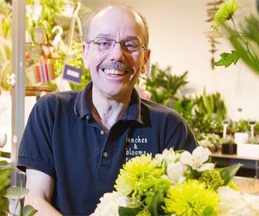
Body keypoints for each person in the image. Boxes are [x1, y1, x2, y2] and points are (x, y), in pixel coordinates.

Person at [17, 3, 198, 215]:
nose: (117, 55)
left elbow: (186, 204)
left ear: (145, 60)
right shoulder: (50, 112)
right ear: (85, 53)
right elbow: (36, 199)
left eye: (130, 45)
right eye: (103, 43)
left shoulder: (169, 126)